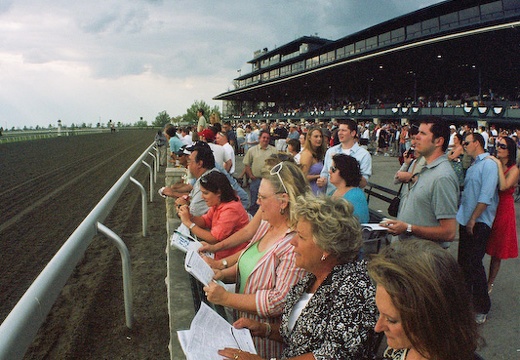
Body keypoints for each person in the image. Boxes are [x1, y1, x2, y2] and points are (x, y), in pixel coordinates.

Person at [218, 195, 378, 360]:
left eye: (301, 236)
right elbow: (298, 337)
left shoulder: (353, 288)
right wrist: (264, 329)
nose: (293, 241)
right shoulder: (311, 278)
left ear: (325, 248)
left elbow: (333, 356)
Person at [203, 161, 309, 358]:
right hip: (246, 332)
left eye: (262, 197)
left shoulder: (295, 242)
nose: (257, 202)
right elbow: (249, 262)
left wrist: (227, 298)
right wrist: (222, 273)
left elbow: (278, 301)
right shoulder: (268, 225)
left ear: (283, 201)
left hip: (267, 344)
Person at [368, 240, 481, 360]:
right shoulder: (409, 343)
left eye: (391, 320)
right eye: (379, 313)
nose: (378, 327)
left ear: (431, 319)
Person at [381, 118, 459, 249]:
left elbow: (449, 232)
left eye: (422, 133)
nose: (416, 136)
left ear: (439, 141)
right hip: (407, 254)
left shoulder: (442, 177)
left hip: (422, 260)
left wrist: (409, 228)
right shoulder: (425, 168)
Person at [457, 132, 499, 324]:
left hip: (479, 221)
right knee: (464, 264)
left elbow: (486, 195)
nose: (464, 145)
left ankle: (482, 306)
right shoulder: (473, 165)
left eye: (466, 142)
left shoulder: (488, 164)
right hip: (465, 218)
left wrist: (473, 218)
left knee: (474, 263)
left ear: (477, 143)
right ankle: (466, 304)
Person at [178, 171, 249, 260]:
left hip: (232, 258)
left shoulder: (231, 210)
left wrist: (189, 223)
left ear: (218, 192)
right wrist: (189, 216)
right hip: (222, 254)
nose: (202, 197)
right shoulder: (218, 203)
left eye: (206, 193)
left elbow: (214, 238)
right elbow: (206, 221)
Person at [486, 136, 519, 294]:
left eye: (503, 146)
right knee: (483, 242)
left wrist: (498, 164)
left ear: (509, 151)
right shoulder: (493, 163)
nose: (498, 148)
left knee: (497, 250)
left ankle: (489, 283)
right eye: (498, 145)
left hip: (504, 209)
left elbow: (504, 186)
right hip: (490, 205)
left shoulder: (514, 169)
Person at [318, 119, 372, 194]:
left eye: (344, 130)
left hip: (351, 198)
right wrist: (322, 181)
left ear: (353, 133)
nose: (340, 133)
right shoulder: (330, 151)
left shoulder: (364, 155)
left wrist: (350, 172)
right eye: (339, 130)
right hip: (331, 196)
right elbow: (325, 173)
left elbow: (363, 184)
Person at [243, 130, 278, 215]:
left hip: (269, 180)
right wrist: (251, 176)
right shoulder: (252, 150)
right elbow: (247, 164)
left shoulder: (274, 150)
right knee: (254, 202)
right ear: (259, 138)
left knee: (269, 202)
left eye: (267, 138)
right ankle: (253, 221)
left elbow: (278, 164)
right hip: (256, 180)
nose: (265, 140)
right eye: (264, 137)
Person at [328, 154, 370, 223]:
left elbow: (358, 224)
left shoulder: (355, 196)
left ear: (344, 171)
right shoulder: (334, 191)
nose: (329, 172)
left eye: (333, 169)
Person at [300, 126, 327, 195]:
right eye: (316, 136)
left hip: (321, 191)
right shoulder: (307, 154)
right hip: (311, 192)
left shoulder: (319, 153)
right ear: (309, 138)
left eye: (321, 136)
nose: (319, 139)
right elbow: (303, 177)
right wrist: (320, 176)